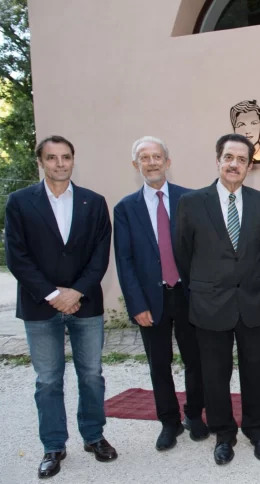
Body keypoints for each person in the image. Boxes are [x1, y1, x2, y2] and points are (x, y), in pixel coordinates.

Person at [4, 135, 117, 478]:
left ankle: (94, 437)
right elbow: (17, 258)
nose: (59, 163)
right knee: (49, 380)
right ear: (41, 161)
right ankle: (53, 446)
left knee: (92, 376)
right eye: (52, 158)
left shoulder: (93, 202)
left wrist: (77, 292)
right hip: (41, 306)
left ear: (73, 160)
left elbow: (100, 255)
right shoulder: (20, 202)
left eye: (65, 157)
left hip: (85, 304)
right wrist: (53, 295)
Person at [174, 133, 260, 465]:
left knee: (256, 371)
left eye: (242, 160)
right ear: (218, 160)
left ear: (249, 166)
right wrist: (204, 286)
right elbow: (182, 254)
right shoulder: (191, 202)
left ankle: (257, 430)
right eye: (229, 157)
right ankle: (224, 434)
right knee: (215, 374)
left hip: (251, 302)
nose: (234, 164)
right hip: (209, 303)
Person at [113, 136, 208, 451]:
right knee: (159, 363)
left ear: (168, 162)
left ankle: (194, 415)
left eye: (157, 157)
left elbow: (202, 251)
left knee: (196, 360)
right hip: (150, 300)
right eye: (144, 158)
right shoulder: (126, 208)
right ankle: (169, 422)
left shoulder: (191, 199)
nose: (151, 162)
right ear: (135, 165)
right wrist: (135, 303)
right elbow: (124, 261)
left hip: (189, 295)